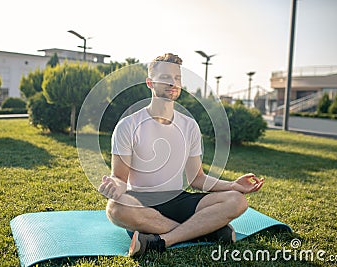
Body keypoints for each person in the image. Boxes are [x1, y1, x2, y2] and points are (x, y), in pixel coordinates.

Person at [98, 53, 264, 257]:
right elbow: (120, 179)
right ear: (150, 82)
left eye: (177, 78)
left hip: (178, 198)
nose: (172, 82)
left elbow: (197, 179)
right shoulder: (128, 125)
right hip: (141, 202)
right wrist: (114, 185)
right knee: (115, 208)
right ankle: (204, 231)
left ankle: (163, 240)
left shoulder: (189, 125)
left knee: (238, 201)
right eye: (165, 77)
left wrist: (232, 185)